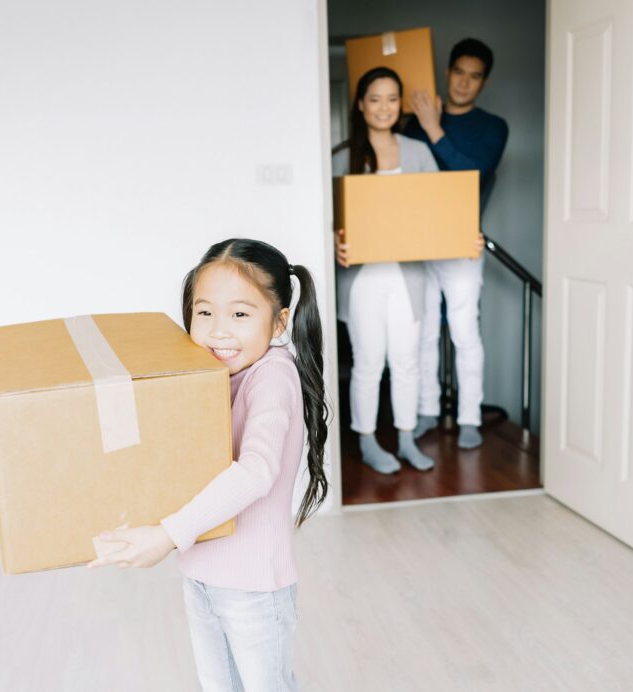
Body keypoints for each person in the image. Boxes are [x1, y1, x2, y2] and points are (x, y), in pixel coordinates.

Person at [89, 238, 328, 692]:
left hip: (253, 588)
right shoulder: (211, 379)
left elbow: (255, 471)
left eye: (240, 314)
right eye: (205, 313)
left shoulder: (273, 375)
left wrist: (166, 535)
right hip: (200, 574)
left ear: (279, 321)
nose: (219, 331)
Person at [334, 66, 441, 474]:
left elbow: (438, 209)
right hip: (363, 277)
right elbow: (329, 219)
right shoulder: (344, 156)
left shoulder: (417, 152)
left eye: (392, 99)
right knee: (368, 362)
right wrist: (334, 241)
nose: (384, 107)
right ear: (361, 104)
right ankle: (367, 442)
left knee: (406, 360)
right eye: (374, 99)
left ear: (401, 104)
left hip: (409, 275)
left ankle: (407, 438)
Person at [404, 37, 507, 449]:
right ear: (447, 72)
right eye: (459, 72)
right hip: (417, 242)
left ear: (484, 82)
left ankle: (468, 419)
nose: (464, 83)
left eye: (475, 76)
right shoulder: (412, 121)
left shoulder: (493, 127)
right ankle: (428, 410)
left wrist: (434, 128)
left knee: (464, 333)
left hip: (464, 243)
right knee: (424, 333)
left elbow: (474, 173)